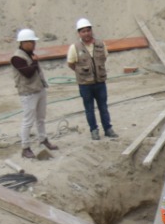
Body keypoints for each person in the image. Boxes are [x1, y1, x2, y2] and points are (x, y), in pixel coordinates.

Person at [11, 28, 58, 160]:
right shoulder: (17, 57)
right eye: (31, 42)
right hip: (28, 93)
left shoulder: (30, 55)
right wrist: (35, 62)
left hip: (39, 89)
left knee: (41, 118)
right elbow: (28, 73)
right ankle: (25, 147)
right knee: (28, 121)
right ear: (24, 43)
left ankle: (43, 139)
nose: (33, 44)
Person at [66, 18, 117, 140]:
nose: (86, 33)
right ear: (79, 33)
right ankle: (94, 130)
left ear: (91, 31)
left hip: (100, 82)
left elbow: (104, 58)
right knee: (89, 109)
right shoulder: (75, 47)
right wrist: (82, 73)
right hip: (85, 84)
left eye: (88, 30)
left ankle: (108, 129)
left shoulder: (100, 44)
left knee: (103, 107)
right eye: (83, 31)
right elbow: (71, 63)